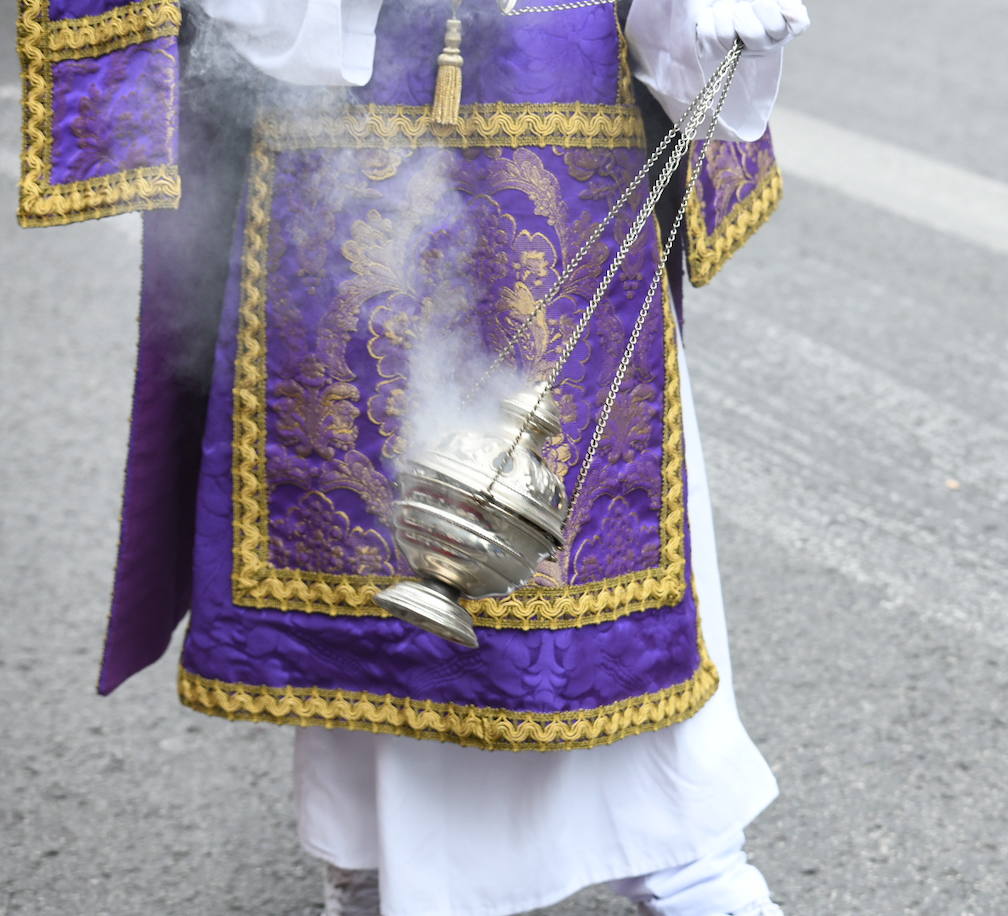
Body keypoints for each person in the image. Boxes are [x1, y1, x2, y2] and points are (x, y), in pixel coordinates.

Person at [16, 0, 808, 913]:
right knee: (367, 533)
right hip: (348, 155)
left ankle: (682, 854)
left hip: (571, 135)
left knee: (595, 523)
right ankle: (374, 857)